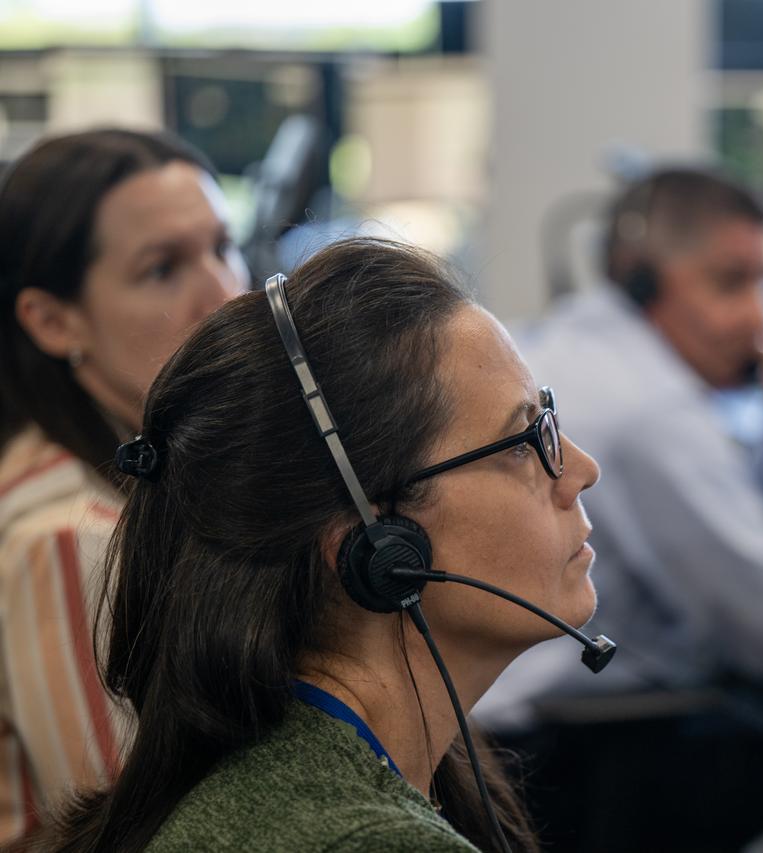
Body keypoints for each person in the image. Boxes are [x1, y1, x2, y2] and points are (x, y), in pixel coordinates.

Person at [34, 237, 602, 852]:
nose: (580, 469)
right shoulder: (365, 840)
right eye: (521, 441)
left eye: (547, 419)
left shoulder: (279, 782)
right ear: (380, 550)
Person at [479, 167, 763, 725]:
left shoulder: (584, 346)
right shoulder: (650, 410)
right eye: (730, 283)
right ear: (642, 283)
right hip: (554, 752)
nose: (760, 317)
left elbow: (746, 536)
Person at [0, 128, 248, 841]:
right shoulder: (67, 534)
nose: (226, 297)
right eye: (163, 268)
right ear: (51, 320)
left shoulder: (143, 476)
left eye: (224, 247)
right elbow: (136, 831)